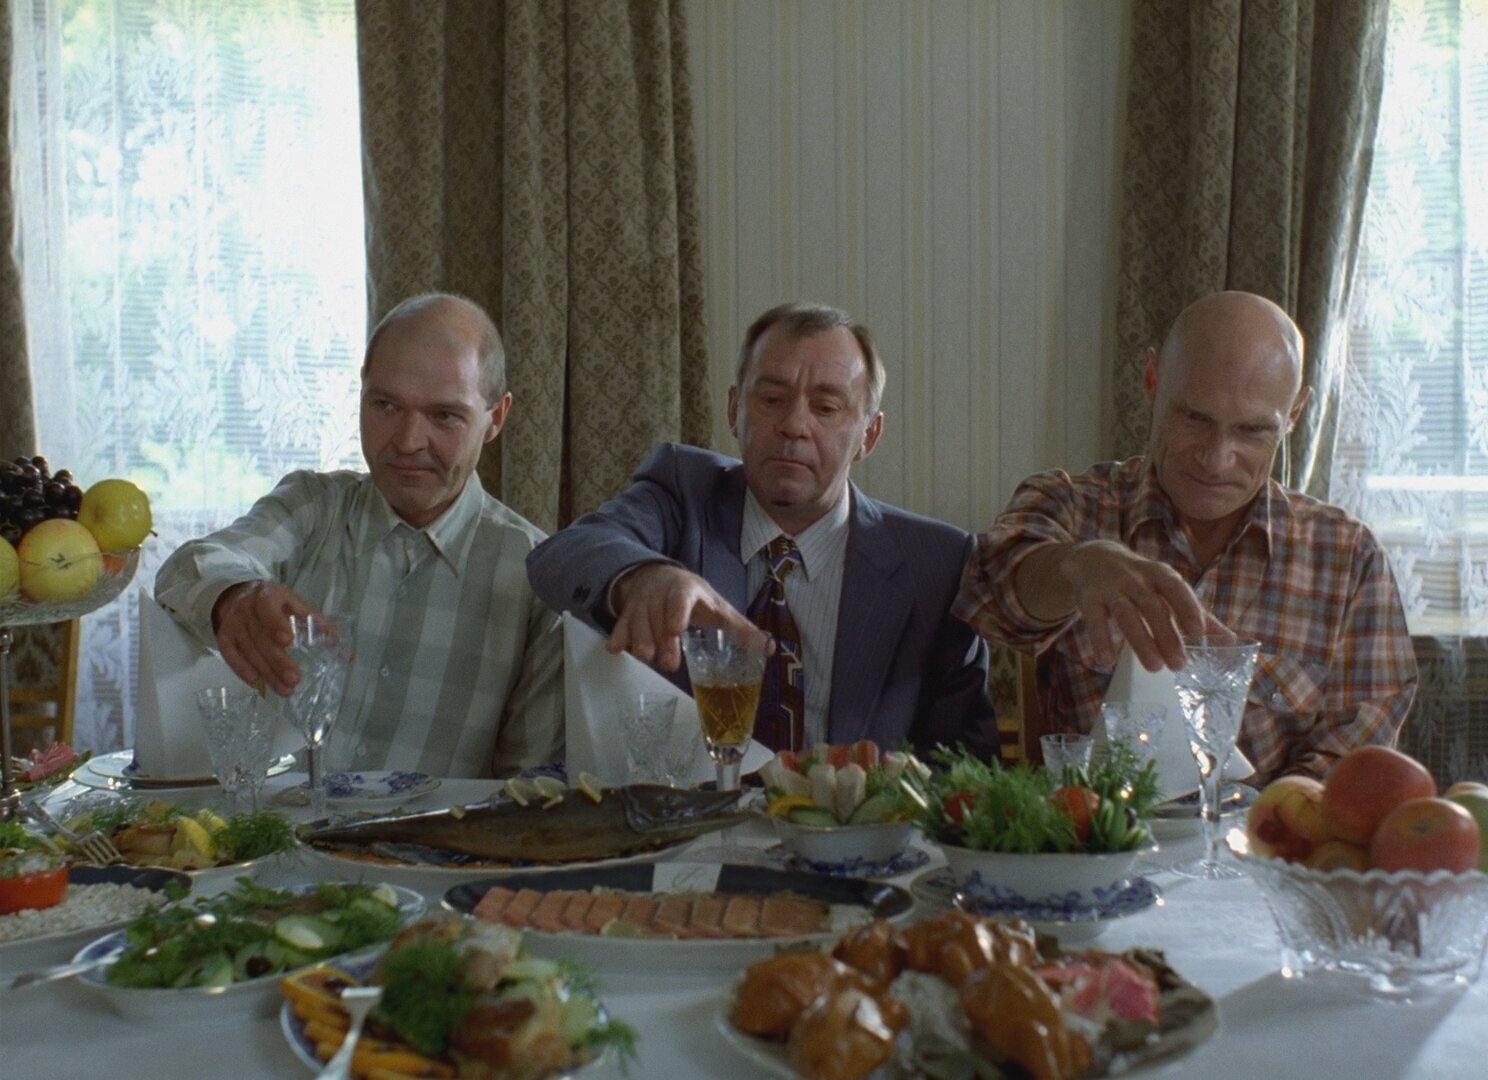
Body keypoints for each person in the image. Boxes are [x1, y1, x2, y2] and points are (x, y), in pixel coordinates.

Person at [955, 291, 1417, 784]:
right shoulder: (1072, 506)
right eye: (1195, 418)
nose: (1217, 458)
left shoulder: (1349, 561)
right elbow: (989, 596)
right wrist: (1074, 566)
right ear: (1152, 382)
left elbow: (1347, 773)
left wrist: (1256, 823)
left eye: (1253, 431)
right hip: (1092, 827)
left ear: (1295, 414)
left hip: (1265, 830)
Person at [526, 301, 998, 760]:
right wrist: (643, 576)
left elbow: (963, 764)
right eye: (772, 399)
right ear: (735, 409)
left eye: (826, 407)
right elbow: (562, 553)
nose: (793, 425)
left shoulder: (937, 565)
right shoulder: (683, 491)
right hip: (692, 810)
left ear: (868, 436)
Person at [155, 293, 563, 778]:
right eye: (386, 405)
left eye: (444, 416)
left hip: (438, 831)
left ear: (495, 418)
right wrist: (236, 598)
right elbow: (186, 569)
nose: (408, 442)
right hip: (280, 825)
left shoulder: (537, 577)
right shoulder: (313, 508)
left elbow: (528, 791)